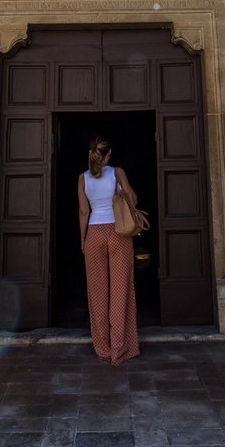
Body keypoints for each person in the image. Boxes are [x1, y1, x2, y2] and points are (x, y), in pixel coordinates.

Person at [77, 136, 140, 365]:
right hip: (119, 233)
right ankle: (119, 349)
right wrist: (121, 194)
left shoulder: (83, 179)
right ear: (109, 154)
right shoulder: (117, 173)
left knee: (98, 293)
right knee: (121, 290)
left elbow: (84, 212)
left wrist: (83, 239)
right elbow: (132, 197)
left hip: (94, 233)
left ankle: (103, 348)